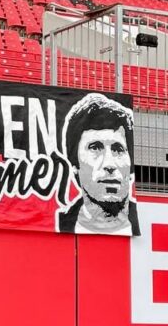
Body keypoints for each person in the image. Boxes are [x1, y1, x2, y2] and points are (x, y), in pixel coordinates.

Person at [56, 92, 139, 235]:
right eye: (95, 148)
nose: (109, 164)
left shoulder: (150, 220)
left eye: (118, 149)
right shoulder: (58, 224)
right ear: (74, 165)